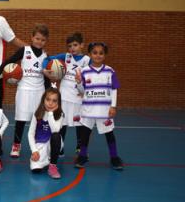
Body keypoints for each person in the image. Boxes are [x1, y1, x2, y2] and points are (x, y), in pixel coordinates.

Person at [0, 24, 50, 158]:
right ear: (32, 37)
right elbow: (8, 61)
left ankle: (37, 145)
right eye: (37, 38)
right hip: (24, 89)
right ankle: (16, 145)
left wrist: (49, 92)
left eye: (42, 40)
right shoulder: (24, 50)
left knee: (39, 119)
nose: (39, 41)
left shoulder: (46, 57)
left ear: (46, 41)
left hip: (39, 91)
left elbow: (46, 77)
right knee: (20, 119)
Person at [74, 42, 124, 170]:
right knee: (85, 134)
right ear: (90, 54)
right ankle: (83, 155)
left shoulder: (110, 71)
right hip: (88, 109)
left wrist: (113, 106)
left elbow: (114, 89)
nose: (98, 55)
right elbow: (81, 90)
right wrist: (79, 82)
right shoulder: (84, 71)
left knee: (109, 134)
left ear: (105, 55)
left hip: (104, 110)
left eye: (101, 53)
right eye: (95, 53)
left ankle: (114, 157)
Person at [42, 33, 90, 157]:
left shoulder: (87, 60)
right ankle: (60, 147)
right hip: (64, 96)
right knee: (62, 123)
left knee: (80, 124)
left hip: (79, 97)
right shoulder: (65, 56)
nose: (72, 48)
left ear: (82, 45)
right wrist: (44, 69)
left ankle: (79, 147)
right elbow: (47, 59)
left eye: (75, 45)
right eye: (70, 46)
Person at [28, 87, 64, 179]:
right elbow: (30, 134)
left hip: (52, 143)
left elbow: (55, 130)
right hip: (40, 144)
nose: (50, 103)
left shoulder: (60, 114)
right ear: (43, 99)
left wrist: (51, 113)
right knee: (35, 170)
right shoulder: (37, 114)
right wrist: (34, 151)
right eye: (48, 99)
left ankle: (52, 165)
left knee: (56, 136)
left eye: (54, 101)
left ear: (58, 103)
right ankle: (46, 158)